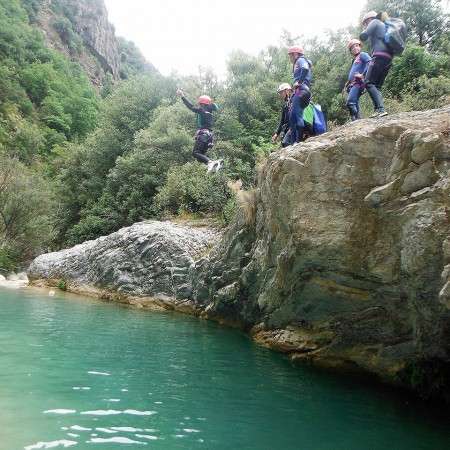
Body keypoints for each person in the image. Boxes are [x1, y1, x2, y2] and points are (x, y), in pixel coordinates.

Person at [177, 89, 221, 173]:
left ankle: (210, 162)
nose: (198, 105)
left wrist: (182, 96)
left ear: (202, 104)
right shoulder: (210, 112)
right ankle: (213, 162)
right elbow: (214, 106)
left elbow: (190, 106)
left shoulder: (202, 111)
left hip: (203, 135)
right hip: (209, 137)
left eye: (199, 104)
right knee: (200, 156)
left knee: (195, 153)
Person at [359, 10, 394, 118]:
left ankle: (380, 109)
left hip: (379, 56)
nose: (365, 25)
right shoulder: (385, 26)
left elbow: (363, 36)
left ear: (368, 20)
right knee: (377, 87)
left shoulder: (375, 22)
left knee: (368, 83)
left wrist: (364, 30)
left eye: (365, 23)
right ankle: (379, 110)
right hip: (388, 59)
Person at [287, 46, 312, 144]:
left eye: (290, 55)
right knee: (292, 117)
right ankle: (293, 142)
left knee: (298, 116)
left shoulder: (301, 60)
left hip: (301, 91)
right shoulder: (300, 61)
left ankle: (299, 141)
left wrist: (299, 81)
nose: (290, 58)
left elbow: (305, 69)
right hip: (300, 91)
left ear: (295, 54)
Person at [345, 39, 370, 121]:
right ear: (351, 50)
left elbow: (370, 62)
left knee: (350, 101)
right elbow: (354, 71)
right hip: (353, 84)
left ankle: (355, 121)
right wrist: (348, 82)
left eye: (356, 46)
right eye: (352, 47)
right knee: (355, 102)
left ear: (359, 47)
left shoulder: (362, 55)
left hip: (358, 83)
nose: (355, 48)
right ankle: (357, 120)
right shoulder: (355, 60)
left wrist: (363, 75)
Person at [272, 83, 292, 148]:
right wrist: (276, 134)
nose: (280, 95)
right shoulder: (285, 105)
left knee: (285, 143)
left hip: (293, 128)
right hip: (287, 129)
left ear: (286, 90)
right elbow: (282, 121)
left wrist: (292, 127)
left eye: (281, 92)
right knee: (284, 145)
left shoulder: (294, 101)